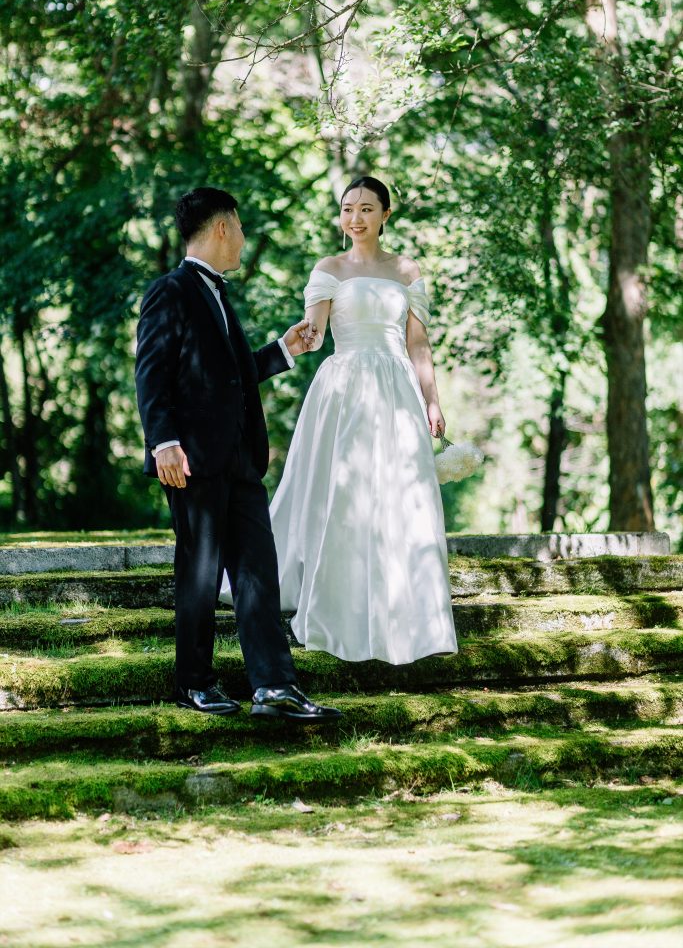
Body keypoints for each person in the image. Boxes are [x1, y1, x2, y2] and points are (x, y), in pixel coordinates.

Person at [135, 186, 341, 721]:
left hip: (241, 461)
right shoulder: (169, 291)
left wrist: (284, 351)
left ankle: (274, 686)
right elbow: (151, 374)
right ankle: (194, 683)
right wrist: (164, 442)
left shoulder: (220, 295)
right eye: (242, 228)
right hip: (191, 461)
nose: (245, 240)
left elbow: (227, 375)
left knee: (258, 573)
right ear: (223, 227)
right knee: (199, 574)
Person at [268, 176, 458, 664]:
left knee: (401, 492)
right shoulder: (328, 268)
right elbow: (314, 332)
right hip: (344, 386)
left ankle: (406, 612)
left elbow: (418, 343)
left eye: (367, 208)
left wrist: (432, 401)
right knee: (344, 490)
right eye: (348, 208)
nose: (355, 217)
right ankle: (336, 608)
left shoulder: (406, 270)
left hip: (397, 387)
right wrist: (299, 339)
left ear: (385, 214)